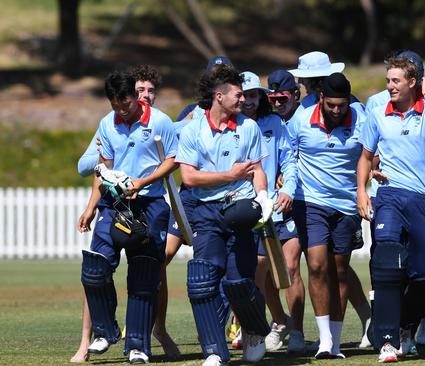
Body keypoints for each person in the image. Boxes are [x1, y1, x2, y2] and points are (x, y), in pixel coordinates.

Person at [72, 65, 182, 362]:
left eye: (126, 103)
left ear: (136, 95)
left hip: (149, 204)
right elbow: (102, 169)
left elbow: (174, 160)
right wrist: (91, 206)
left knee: (144, 276)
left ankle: (137, 346)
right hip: (114, 203)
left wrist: (142, 182)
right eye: (115, 105)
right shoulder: (108, 123)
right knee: (95, 269)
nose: (122, 110)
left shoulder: (160, 122)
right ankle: (106, 331)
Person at [356, 54, 425, 363]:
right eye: (388, 80)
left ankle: (407, 328)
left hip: (422, 199)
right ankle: (386, 339)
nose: (389, 86)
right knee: (386, 259)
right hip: (389, 196)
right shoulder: (378, 111)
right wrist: (363, 187)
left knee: (423, 273)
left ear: (413, 82)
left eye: (396, 81)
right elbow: (366, 155)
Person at [176, 64, 272, 366]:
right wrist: (229, 175)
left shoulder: (248, 127)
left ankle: (255, 332)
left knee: (239, 282)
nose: (243, 100)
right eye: (238, 94)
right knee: (203, 281)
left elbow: (257, 170)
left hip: (241, 211)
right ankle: (215, 351)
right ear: (220, 96)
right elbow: (189, 179)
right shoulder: (192, 129)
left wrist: (263, 198)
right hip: (206, 211)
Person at [287, 72, 364, 359]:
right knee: (317, 265)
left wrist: (369, 177)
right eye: (331, 105)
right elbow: (289, 156)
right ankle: (324, 341)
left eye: (341, 106)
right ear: (321, 99)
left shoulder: (361, 119)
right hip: (310, 202)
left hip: (346, 206)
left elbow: (370, 154)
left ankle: (337, 341)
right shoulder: (302, 118)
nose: (335, 111)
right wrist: (287, 187)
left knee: (339, 270)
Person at [236, 71, 304, 353]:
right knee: (258, 275)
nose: (249, 101)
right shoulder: (231, 126)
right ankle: (277, 322)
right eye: (244, 95)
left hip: (277, 207)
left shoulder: (273, 123)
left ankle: (297, 331)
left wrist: (287, 189)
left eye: (253, 95)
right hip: (243, 210)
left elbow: (288, 161)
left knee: (288, 269)